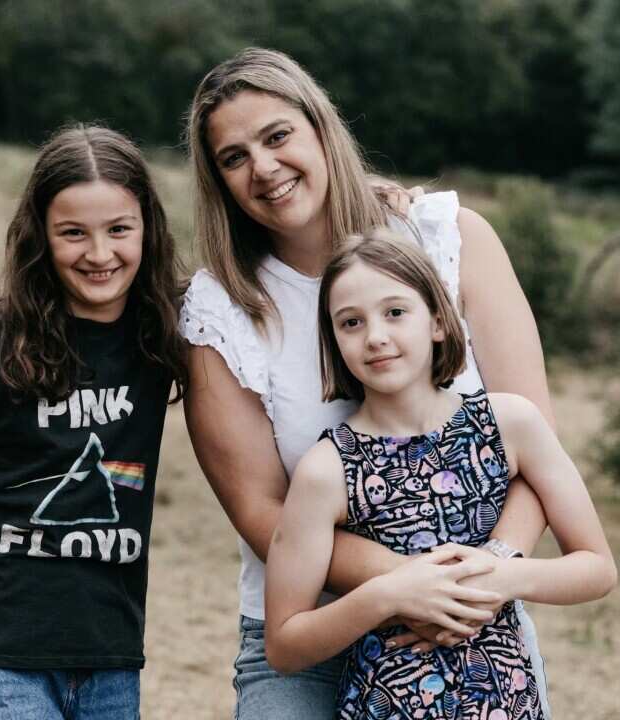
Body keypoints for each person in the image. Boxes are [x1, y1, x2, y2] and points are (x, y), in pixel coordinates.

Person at [180, 47, 560, 717]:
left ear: (320, 127)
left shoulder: (449, 239)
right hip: (311, 636)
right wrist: (406, 584)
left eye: (277, 136)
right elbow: (263, 513)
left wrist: (487, 574)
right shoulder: (220, 311)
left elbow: (533, 446)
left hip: (471, 624)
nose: (264, 168)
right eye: (234, 158)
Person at [0, 124, 187, 719]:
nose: (100, 254)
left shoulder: (169, 329)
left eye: (119, 230)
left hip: (110, 658)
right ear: (40, 237)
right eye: (73, 233)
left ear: (148, 230)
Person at [263, 231, 617, 719]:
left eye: (395, 312)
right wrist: (389, 593)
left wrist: (501, 577)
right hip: (386, 705)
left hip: (504, 700)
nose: (376, 336)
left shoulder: (510, 422)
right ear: (334, 341)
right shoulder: (327, 470)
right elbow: (284, 645)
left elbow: (597, 568)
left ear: (436, 320)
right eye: (351, 322)